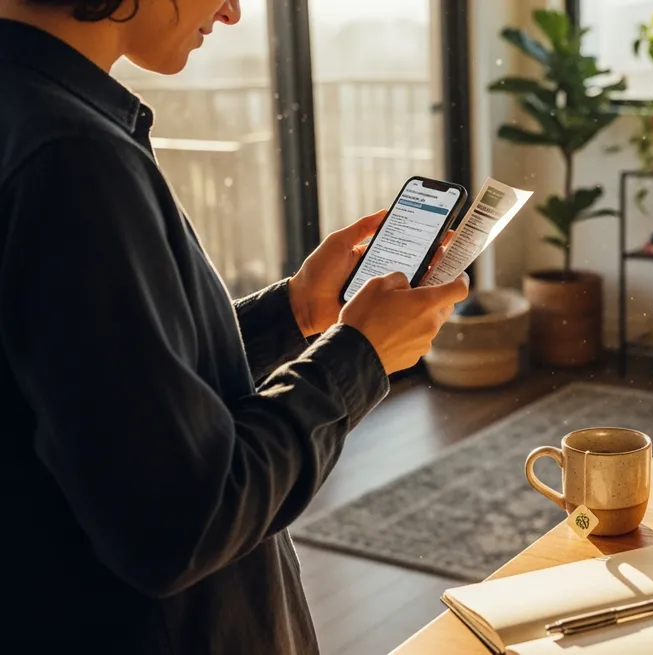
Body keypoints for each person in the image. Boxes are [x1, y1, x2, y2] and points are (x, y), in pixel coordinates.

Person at [0, 1, 471, 652]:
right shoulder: (73, 158)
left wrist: (295, 312)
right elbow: (180, 523)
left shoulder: (28, 115)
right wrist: (358, 356)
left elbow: (110, 391)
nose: (232, 11)